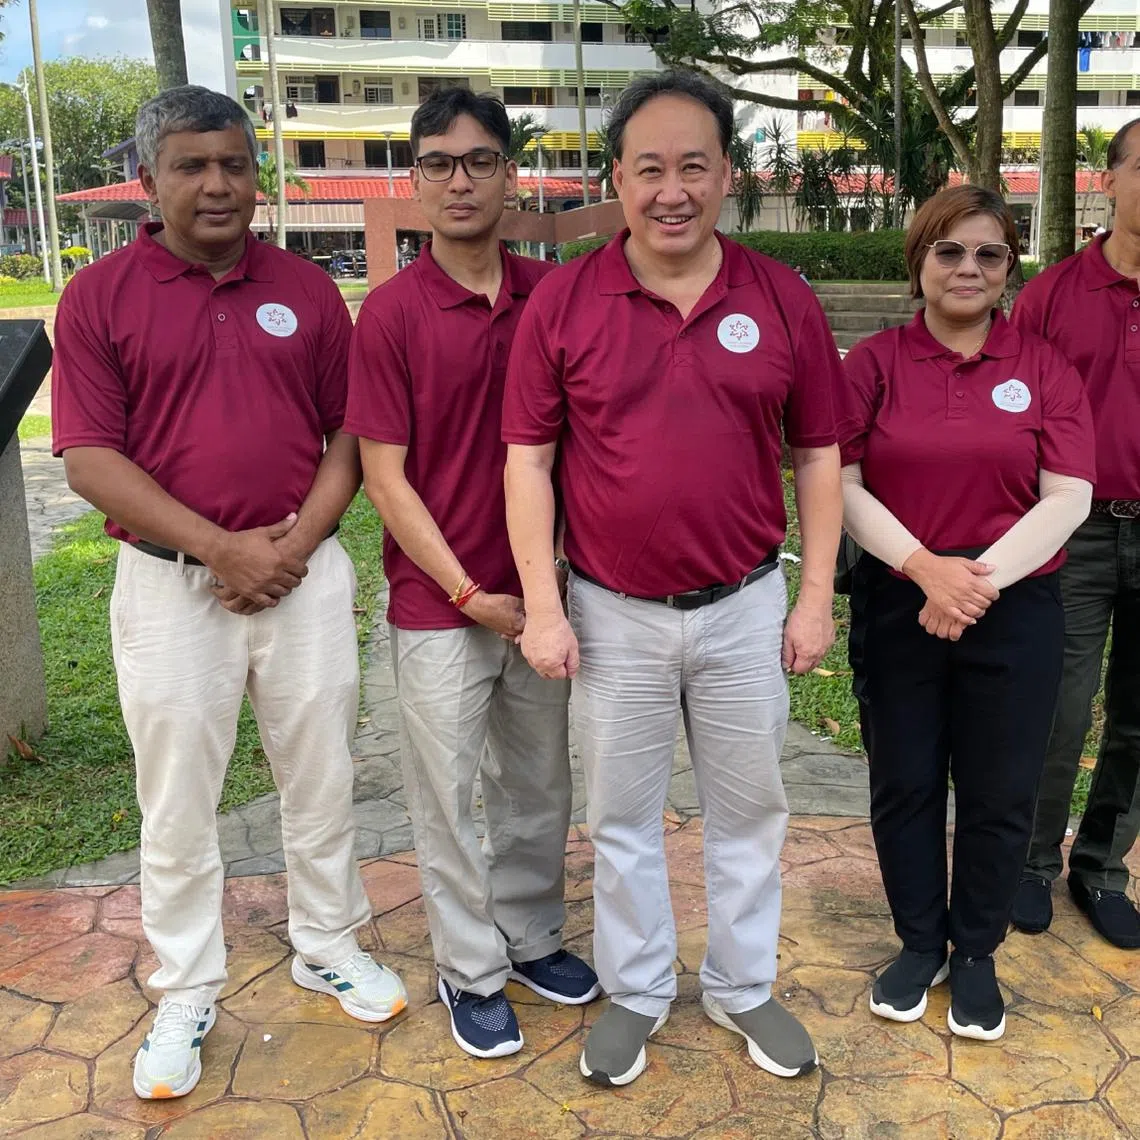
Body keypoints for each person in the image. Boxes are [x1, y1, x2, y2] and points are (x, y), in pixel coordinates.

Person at [50, 87, 407, 1101]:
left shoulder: (304, 286)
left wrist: (291, 545)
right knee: (176, 797)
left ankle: (328, 940)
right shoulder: (99, 297)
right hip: (170, 590)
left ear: (258, 174)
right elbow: (87, 457)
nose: (217, 184)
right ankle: (187, 982)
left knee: (322, 772)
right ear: (151, 181)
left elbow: (349, 433)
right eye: (191, 166)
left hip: (304, 575)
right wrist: (222, 551)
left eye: (234, 164)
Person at [503, 70, 841, 1087]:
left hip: (743, 605)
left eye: (694, 165)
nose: (672, 189)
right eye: (649, 168)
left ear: (727, 174)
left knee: (750, 813)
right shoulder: (564, 302)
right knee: (620, 821)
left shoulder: (778, 296)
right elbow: (527, 460)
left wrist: (817, 594)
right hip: (613, 615)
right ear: (618, 178)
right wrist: (547, 608)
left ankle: (743, 987)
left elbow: (820, 454)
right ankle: (640, 988)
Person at [344, 88, 599, 1061]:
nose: (461, 179)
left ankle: (531, 937)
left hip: (543, 596)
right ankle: (469, 966)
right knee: (446, 795)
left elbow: (582, 444)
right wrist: (467, 593)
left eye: (480, 160)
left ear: (509, 174)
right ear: (416, 179)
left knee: (538, 783)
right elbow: (383, 475)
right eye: (442, 162)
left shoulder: (556, 296)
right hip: (439, 603)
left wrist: (545, 587)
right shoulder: (393, 314)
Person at [839, 185, 1095, 1040]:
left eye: (988, 254)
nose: (968, 269)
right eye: (949, 251)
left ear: (1008, 268)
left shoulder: (1043, 367)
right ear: (919, 260)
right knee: (904, 782)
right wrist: (923, 571)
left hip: (1014, 606)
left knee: (999, 789)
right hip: (896, 604)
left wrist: (971, 582)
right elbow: (837, 486)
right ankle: (920, 943)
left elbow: (1069, 496)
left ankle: (976, 950)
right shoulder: (871, 366)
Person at [1009, 118, 1140, 951]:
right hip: (1075, 533)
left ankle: (1101, 865)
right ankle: (1026, 863)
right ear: (1112, 178)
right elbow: (1014, 416)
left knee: (1138, 716)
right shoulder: (1054, 294)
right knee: (1058, 706)